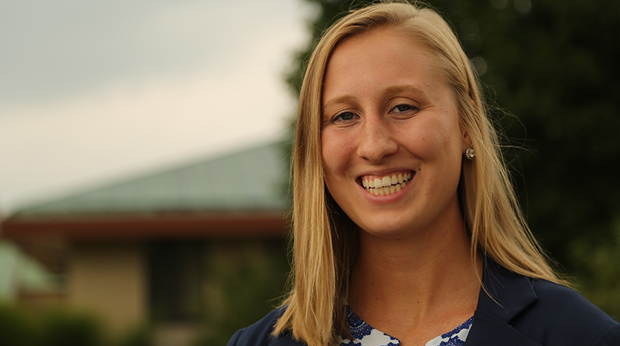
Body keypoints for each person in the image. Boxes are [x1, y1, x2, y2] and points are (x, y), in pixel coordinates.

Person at [227, 2, 620, 345]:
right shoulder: (259, 344)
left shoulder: (582, 336)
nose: (374, 145)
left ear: (466, 123)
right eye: (344, 116)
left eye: (403, 107)